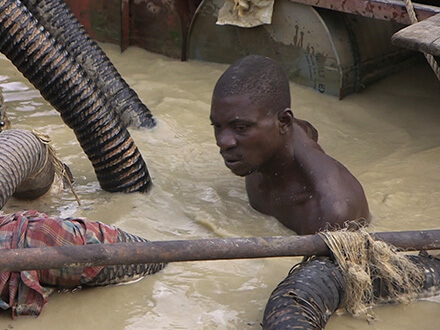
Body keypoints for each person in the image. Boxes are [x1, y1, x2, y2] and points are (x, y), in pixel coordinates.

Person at [209, 55, 369, 235]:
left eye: (240, 127)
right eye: (217, 126)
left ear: (284, 122)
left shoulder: (329, 212)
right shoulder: (259, 152)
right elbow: (306, 129)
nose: (222, 142)